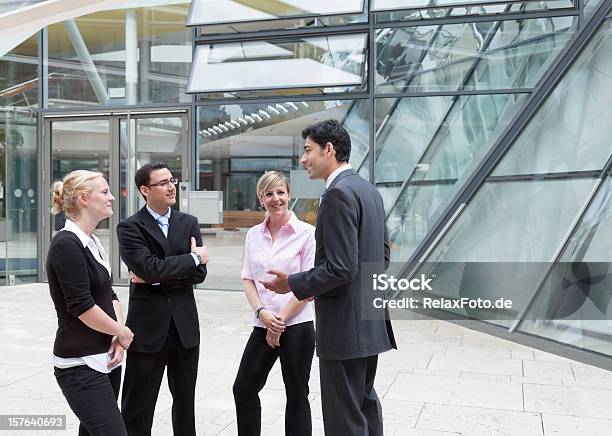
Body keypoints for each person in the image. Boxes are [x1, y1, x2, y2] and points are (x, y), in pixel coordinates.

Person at [261, 120, 397, 436]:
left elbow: (341, 268)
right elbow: (383, 258)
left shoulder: (337, 194)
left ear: (329, 150)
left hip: (344, 326)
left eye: (308, 150)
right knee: (364, 405)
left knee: (343, 418)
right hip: (369, 318)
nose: (303, 159)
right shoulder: (368, 191)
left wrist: (292, 283)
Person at [117, 162, 208, 436]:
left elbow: (200, 274)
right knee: (138, 407)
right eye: (163, 183)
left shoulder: (188, 222)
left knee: (185, 406)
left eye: (172, 180)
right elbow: (149, 268)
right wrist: (191, 258)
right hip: (147, 329)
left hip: (184, 328)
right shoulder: (130, 227)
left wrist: (156, 273)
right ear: (145, 190)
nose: (172, 187)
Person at [47, 170, 134, 436]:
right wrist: (121, 331)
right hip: (80, 365)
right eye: (105, 192)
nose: (111, 198)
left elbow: (110, 294)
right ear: (84, 198)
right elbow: (82, 306)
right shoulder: (66, 244)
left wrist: (117, 337)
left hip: (105, 358)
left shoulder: (93, 242)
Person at [233, 171, 316, 436]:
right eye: (269, 193)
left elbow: (308, 286)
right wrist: (262, 312)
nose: (275, 198)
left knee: (297, 395)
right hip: (263, 322)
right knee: (243, 387)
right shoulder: (253, 235)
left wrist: (279, 323)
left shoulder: (307, 234)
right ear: (261, 199)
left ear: (289, 195)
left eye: (280, 192)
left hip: (297, 326)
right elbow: (248, 279)